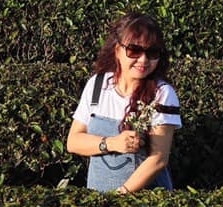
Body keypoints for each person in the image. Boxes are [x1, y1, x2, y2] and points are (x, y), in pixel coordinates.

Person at [67, 11, 182, 193]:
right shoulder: (98, 85)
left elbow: (159, 159)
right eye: (134, 50)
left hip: (145, 203)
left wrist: (120, 196)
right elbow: (73, 141)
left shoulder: (162, 94)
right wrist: (111, 143)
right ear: (118, 51)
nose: (143, 60)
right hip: (97, 196)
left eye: (152, 52)